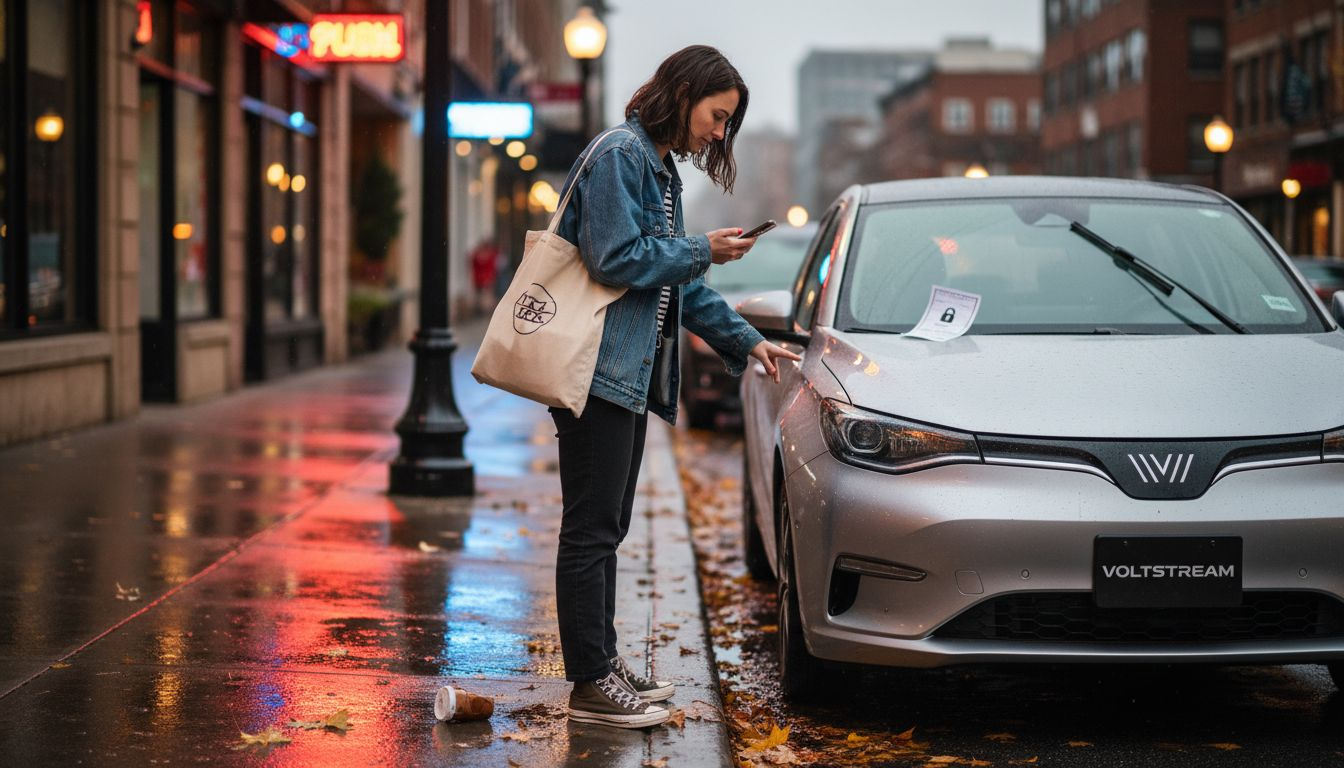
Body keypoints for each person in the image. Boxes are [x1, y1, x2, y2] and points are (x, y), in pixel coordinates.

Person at [547, 45, 800, 729]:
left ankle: (601, 663)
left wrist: (746, 340)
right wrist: (702, 250)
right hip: (592, 370)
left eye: (728, 124)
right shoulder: (620, 155)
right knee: (592, 529)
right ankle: (590, 684)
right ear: (684, 93)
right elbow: (616, 258)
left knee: (609, 526)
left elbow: (676, 283)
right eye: (717, 116)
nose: (719, 133)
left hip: (623, 375)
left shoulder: (656, 170)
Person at [469, 239, 501, 315]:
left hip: (486, 279)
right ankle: (481, 309)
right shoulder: (478, 255)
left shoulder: (490, 255)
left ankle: (485, 310)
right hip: (479, 279)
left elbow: (492, 268)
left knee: (486, 296)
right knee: (481, 295)